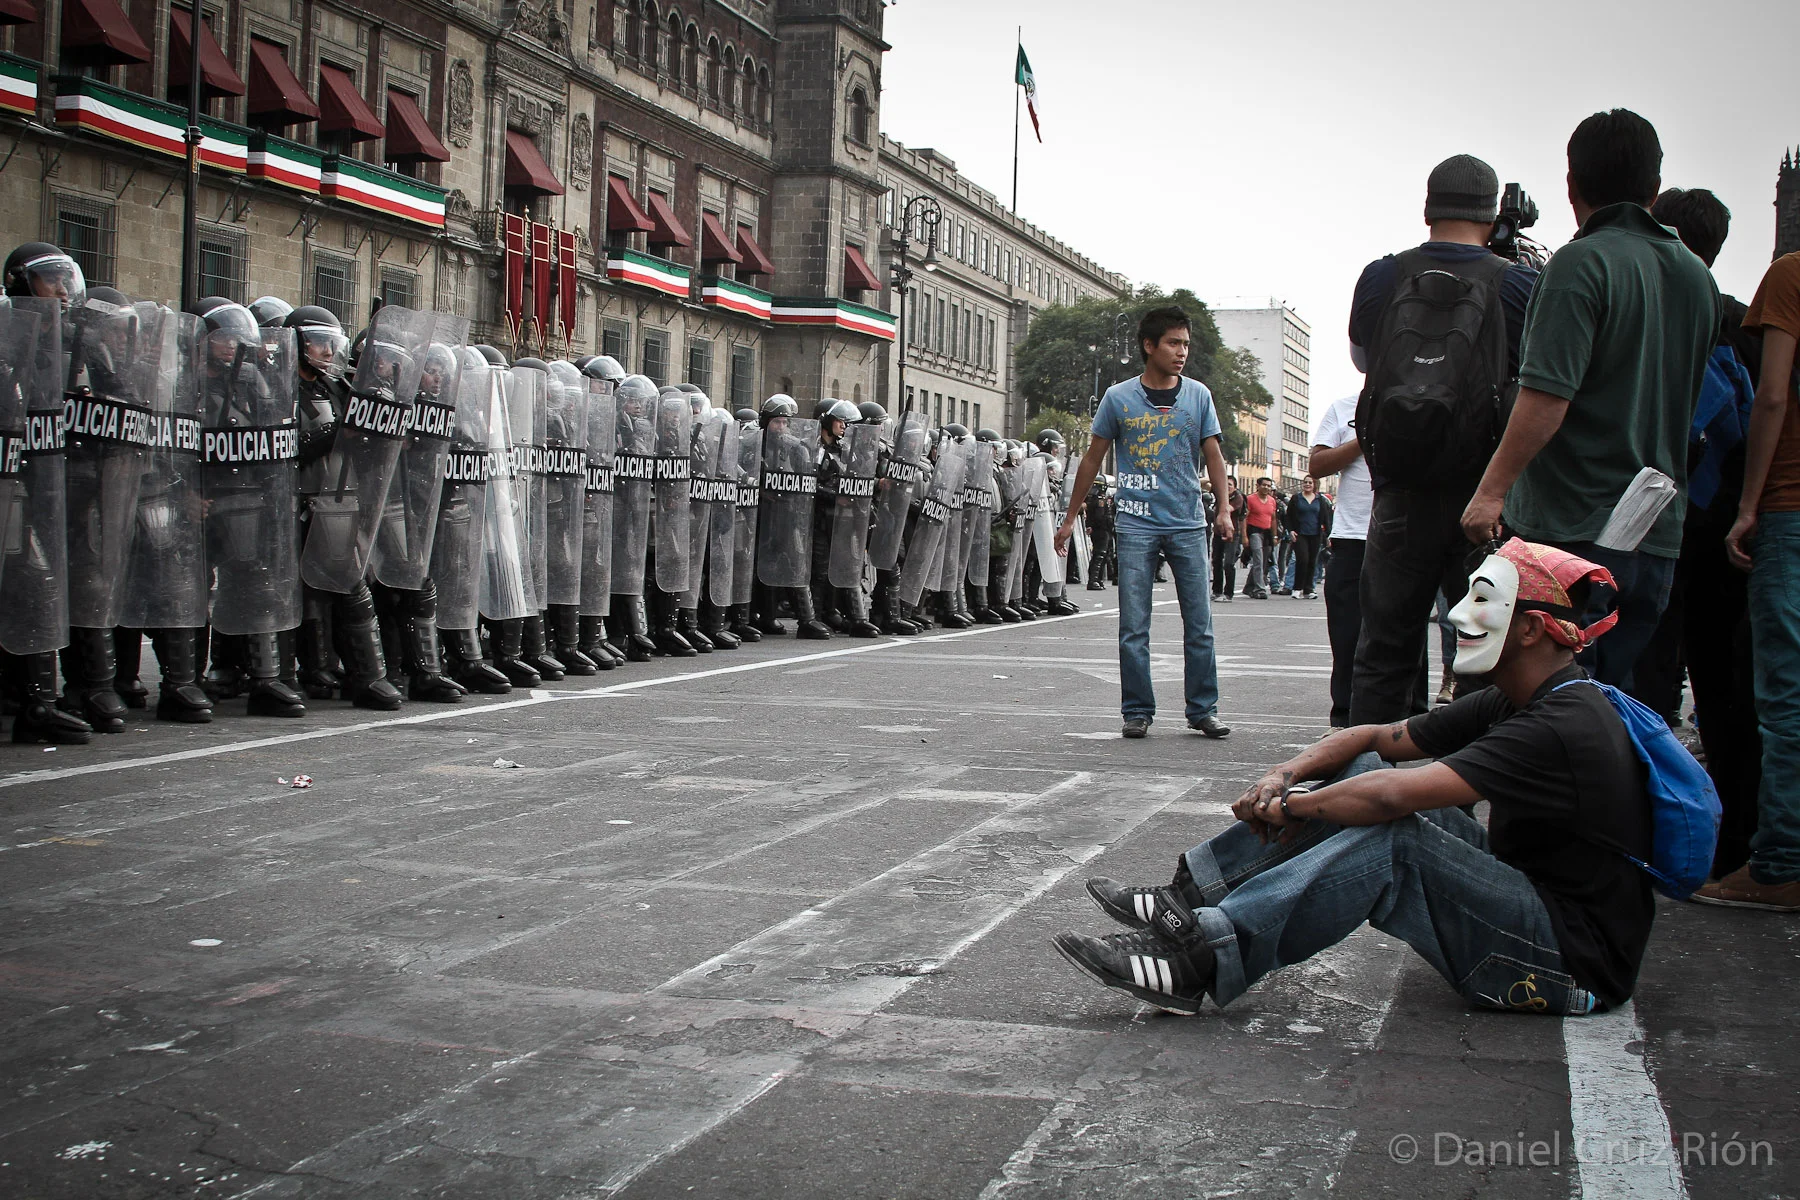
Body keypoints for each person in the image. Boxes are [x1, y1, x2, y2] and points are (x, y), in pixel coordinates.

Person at [1053, 539, 1653, 1018]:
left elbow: (1395, 797)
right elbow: (1374, 739)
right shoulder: (1524, 695)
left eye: (1482, 601)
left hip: (1568, 960)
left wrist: (1294, 807)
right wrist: (1284, 775)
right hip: (1531, 891)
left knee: (1393, 838)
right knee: (1362, 774)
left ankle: (1203, 962)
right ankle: (1189, 898)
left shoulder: (1559, 724)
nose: (1457, 615)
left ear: (1530, 630)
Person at [1461, 110, 1719, 692]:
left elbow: (1546, 398)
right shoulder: (1695, 278)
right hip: (1654, 531)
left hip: (1569, 529)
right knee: (1613, 702)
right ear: (1655, 188)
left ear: (1571, 185)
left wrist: (1490, 492)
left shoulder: (1582, 264)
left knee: (1537, 706)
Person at [1349, 154, 1540, 725]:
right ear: (1494, 214)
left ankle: (1361, 791)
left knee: (1383, 650)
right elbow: (1530, 377)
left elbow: (1366, 360)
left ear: (1428, 207)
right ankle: (1456, 795)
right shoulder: (1518, 284)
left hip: (1401, 488)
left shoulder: (1383, 275)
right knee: (1482, 655)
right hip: (1485, 497)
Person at [1633, 188, 1762, 879]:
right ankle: (1731, 840)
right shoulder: (1744, 323)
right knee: (1727, 689)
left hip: (1654, 522)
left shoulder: (1655, 318)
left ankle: (1647, 828)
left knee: (1646, 682)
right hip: (1729, 536)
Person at [1054, 306, 1233, 740]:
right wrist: (1070, 516)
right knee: (1134, 625)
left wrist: (1225, 509)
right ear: (1149, 346)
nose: (1181, 352)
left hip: (1189, 523)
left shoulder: (1198, 396)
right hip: (1135, 524)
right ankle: (1137, 710)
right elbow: (1093, 459)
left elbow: (1213, 455)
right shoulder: (1118, 397)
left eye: (1186, 344)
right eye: (1173, 343)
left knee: (1200, 624)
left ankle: (1202, 709)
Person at [1692, 247, 1800, 911]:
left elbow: (1773, 397)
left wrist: (1749, 505)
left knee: (1785, 696)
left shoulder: (1790, 275)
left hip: (1792, 504)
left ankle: (1781, 864)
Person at [1309, 395, 1368, 726]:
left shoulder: (1427, 401)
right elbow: (1317, 466)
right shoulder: (1346, 408)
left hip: (1405, 538)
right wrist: (1365, 437)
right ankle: (1343, 720)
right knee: (1346, 636)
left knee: (1406, 638)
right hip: (1351, 538)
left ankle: (1409, 723)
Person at [1285, 475, 1330, 600]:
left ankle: (1309, 589)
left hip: (1315, 534)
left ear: (1314, 484)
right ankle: (1297, 588)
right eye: (1305, 482)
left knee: (1312, 561)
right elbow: (1288, 517)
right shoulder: (1296, 499)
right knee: (1302, 560)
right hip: (1300, 534)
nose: (1307, 484)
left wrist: (1328, 536)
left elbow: (1326, 518)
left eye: (1310, 482)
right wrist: (1290, 531)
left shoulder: (1320, 500)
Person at [1210, 476, 1246, 602]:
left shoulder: (1238, 497)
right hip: (1218, 533)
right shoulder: (1218, 494)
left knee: (1229, 563)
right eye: (1225, 484)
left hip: (1232, 534)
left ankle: (1228, 593)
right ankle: (1216, 591)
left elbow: (1229, 509)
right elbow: (1205, 483)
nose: (1227, 487)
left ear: (1235, 487)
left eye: (1230, 485)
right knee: (1216, 561)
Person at [1241, 478, 1276, 599]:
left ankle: (1249, 587)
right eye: (1264, 485)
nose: (1266, 487)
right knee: (1258, 559)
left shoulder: (1272, 500)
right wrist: (1244, 536)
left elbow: (1273, 518)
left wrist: (1275, 535)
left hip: (1267, 534)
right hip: (1254, 532)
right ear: (1258, 486)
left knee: (1263, 562)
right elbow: (1244, 518)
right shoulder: (1250, 499)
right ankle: (1259, 588)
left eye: (1269, 486)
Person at [1085, 477, 1115, 591]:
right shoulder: (1099, 499)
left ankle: (1098, 579)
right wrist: (1109, 525)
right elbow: (1100, 516)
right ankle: (1094, 580)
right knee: (1099, 555)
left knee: (1102, 555)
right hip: (1102, 529)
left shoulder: (1092, 497)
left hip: (1099, 529)